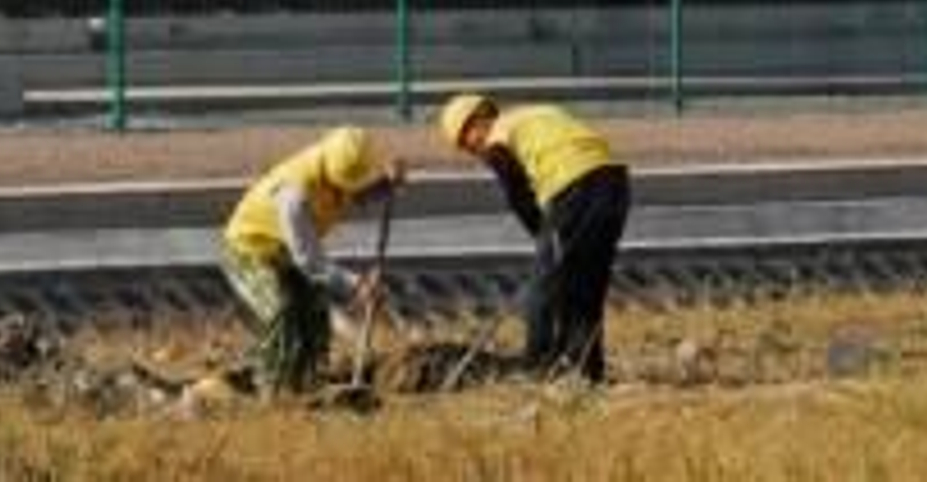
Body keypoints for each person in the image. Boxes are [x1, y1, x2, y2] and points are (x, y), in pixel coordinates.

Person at [438, 92, 630, 383]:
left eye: (467, 142)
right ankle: (589, 373)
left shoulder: (497, 139)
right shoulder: (538, 113)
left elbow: (519, 197)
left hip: (575, 188)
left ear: (478, 120)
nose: (473, 151)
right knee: (586, 287)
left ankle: (536, 368)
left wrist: (543, 240)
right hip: (616, 184)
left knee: (543, 289)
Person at [219, 125, 404, 395]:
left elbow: (356, 192)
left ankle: (309, 380)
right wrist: (358, 286)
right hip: (250, 250)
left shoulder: (346, 165)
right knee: (280, 311)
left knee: (316, 310)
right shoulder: (294, 195)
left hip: (286, 253)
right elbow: (310, 262)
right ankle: (273, 390)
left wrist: (387, 184)